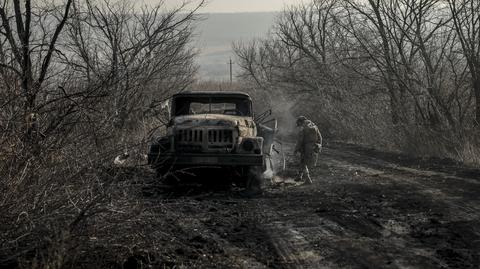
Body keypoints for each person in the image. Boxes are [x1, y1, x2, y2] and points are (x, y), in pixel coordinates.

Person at [294, 116, 322, 184]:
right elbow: (320, 137)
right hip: (314, 146)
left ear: (301, 122)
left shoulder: (303, 128)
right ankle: (299, 176)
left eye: (299, 123)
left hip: (307, 147)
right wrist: (319, 146)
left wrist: (296, 150)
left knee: (304, 162)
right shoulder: (314, 126)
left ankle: (308, 179)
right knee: (303, 161)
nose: (299, 125)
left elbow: (300, 141)